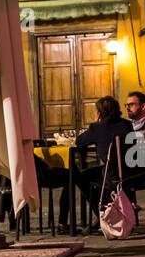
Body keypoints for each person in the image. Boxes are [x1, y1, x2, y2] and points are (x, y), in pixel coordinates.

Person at [56, 95, 139, 232]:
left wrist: (96, 123)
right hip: (131, 173)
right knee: (101, 172)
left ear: (99, 113)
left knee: (80, 177)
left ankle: (102, 213)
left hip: (111, 175)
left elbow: (79, 142)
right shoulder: (126, 124)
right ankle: (112, 212)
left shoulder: (97, 127)